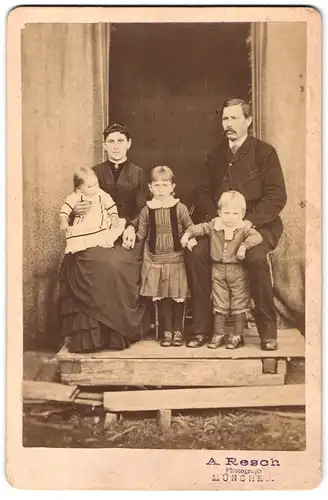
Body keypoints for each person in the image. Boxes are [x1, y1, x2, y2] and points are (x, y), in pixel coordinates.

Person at [185, 98, 287, 350]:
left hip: (258, 226)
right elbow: (201, 191)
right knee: (197, 253)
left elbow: (276, 196)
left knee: (254, 258)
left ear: (248, 121)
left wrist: (249, 222)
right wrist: (216, 219)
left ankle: (267, 333)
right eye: (224, 119)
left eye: (234, 118)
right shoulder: (215, 154)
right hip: (221, 225)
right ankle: (202, 329)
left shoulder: (265, 152)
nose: (228, 124)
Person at [58, 123, 150, 352]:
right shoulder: (94, 172)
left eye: (120, 141)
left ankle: (117, 333)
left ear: (129, 144)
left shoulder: (138, 173)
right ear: (105, 146)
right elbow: (76, 201)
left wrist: (130, 227)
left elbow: (142, 207)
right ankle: (92, 336)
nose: (116, 146)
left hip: (128, 232)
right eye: (111, 141)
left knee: (116, 264)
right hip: (95, 232)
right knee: (90, 261)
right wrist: (75, 211)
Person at [181, 191, 262, 349]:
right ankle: (218, 334)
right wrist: (188, 233)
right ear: (219, 212)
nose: (230, 217)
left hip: (238, 272)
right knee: (219, 304)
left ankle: (237, 336)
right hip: (218, 272)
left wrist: (244, 246)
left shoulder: (243, 228)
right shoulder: (215, 225)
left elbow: (257, 237)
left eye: (235, 213)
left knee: (239, 304)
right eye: (226, 213)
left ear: (242, 214)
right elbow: (200, 228)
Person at [137, 166, 196, 347]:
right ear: (150, 187)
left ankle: (178, 331)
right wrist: (128, 238)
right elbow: (141, 233)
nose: (161, 189)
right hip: (156, 260)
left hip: (177, 259)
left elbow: (190, 227)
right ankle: (167, 331)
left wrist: (189, 237)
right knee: (162, 296)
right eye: (156, 185)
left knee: (177, 295)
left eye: (165, 185)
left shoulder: (180, 208)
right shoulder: (147, 210)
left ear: (173, 187)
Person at [60, 167, 125, 254]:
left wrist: (114, 216)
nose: (95, 188)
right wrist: (64, 221)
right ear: (79, 188)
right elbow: (65, 209)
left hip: (100, 225)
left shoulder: (100, 193)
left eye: (96, 183)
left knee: (108, 235)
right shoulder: (75, 196)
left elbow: (111, 205)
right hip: (84, 227)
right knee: (80, 239)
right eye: (90, 186)